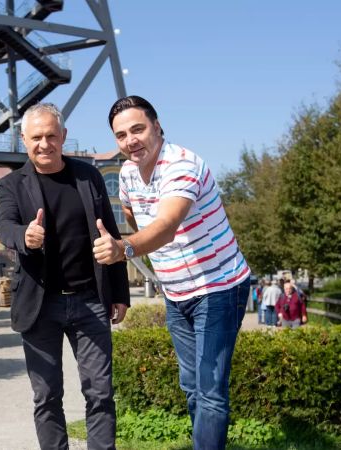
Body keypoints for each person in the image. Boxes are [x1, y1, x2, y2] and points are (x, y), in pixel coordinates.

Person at [92, 96, 250, 450]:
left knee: (209, 388)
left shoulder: (181, 165)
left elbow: (165, 226)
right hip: (177, 292)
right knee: (191, 386)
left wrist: (125, 248)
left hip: (219, 286)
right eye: (121, 135)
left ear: (157, 126)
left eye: (138, 129)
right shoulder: (130, 174)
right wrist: (151, 252)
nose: (131, 140)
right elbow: (136, 216)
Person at [0, 102, 130, 450]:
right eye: (36, 137)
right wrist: (24, 236)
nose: (44, 144)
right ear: (24, 139)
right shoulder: (12, 184)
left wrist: (120, 292)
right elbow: (5, 225)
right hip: (40, 306)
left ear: (64, 136)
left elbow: (110, 234)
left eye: (51, 136)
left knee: (100, 392)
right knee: (47, 396)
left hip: (90, 301)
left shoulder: (89, 176)